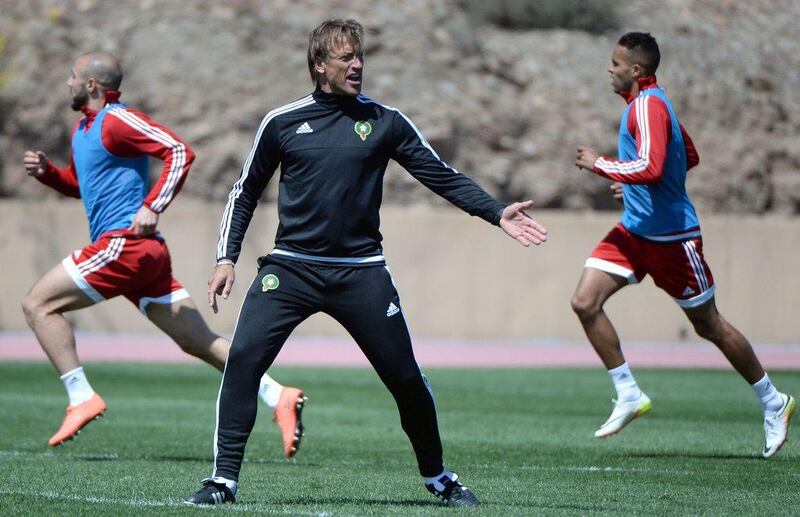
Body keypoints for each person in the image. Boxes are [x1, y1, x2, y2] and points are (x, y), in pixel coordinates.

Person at [182, 19, 547, 507]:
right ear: (319, 65)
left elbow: (440, 175)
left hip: (361, 271)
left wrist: (495, 211)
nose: (356, 65)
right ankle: (222, 482)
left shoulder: (386, 121)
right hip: (290, 269)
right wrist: (226, 256)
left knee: (405, 379)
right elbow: (244, 191)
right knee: (243, 362)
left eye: (360, 56)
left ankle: (439, 478)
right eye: (345, 58)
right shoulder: (281, 122)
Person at [22, 51, 307, 458]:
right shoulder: (83, 130)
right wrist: (49, 174)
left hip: (125, 248)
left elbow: (178, 150)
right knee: (201, 343)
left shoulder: (116, 120)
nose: (66, 83)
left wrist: (153, 204)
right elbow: (83, 187)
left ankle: (80, 395)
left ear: (91, 86)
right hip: (138, 257)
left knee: (37, 305)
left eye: (71, 76)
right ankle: (277, 394)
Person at [571, 32, 794, 456]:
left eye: (616, 63)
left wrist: (603, 165)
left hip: (673, 239)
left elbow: (655, 167)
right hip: (635, 232)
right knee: (584, 301)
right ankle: (629, 394)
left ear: (636, 71)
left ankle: (773, 401)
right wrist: (630, 184)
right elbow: (687, 155)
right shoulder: (649, 104)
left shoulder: (649, 106)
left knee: (708, 325)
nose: (609, 69)